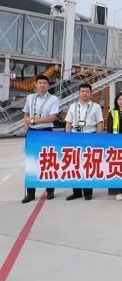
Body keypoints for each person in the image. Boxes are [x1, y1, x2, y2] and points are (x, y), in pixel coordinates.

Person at [21, 74, 60, 204]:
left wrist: (33, 120)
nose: (42, 85)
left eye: (44, 83)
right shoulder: (30, 98)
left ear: (48, 85)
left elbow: (52, 117)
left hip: (46, 131)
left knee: (48, 160)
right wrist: (26, 122)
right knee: (31, 161)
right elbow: (26, 114)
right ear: (36, 85)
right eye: (40, 83)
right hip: (32, 132)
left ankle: (50, 190)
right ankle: (31, 193)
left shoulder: (53, 99)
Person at [65, 83, 104, 201]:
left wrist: (98, 138)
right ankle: (76, 192)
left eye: (87, 91)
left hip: (89, 136)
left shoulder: (96, 107)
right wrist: (67, 138)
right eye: (82, 91)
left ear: (90, 93)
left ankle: (88, 192)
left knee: (88, 165)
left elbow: (100, 122)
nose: (84, 93)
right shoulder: (73, 106)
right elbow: (68, 123)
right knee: (75, 165)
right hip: (75, 137)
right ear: (78, 93)